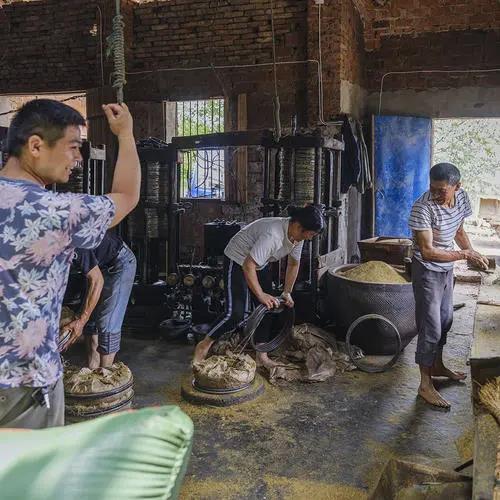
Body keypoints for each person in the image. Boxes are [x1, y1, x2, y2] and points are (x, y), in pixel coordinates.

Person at [0, 99, 140, 428]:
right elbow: (127, 195)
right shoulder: (57, 212)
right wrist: (126, 136)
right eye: (73, 147)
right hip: (27, 380)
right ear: (35, 145)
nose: (78, 159)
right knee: (30, 477)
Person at [193, 205, 325, 368]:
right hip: (238, 259)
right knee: (235, 314)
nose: (310, 238)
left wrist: (287, 292)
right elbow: (248, 265)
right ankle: (204, 345)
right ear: (299, 227)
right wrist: (261, 294)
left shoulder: (297, 237)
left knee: (268, 307)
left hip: (258, 263)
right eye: (310, 234)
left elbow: (293, 264)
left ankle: (261, 354)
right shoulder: (273, 236)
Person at [409, 162, 489, 409]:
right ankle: (424, 384)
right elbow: (428, 252)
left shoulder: (461, 198)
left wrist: (472, 251)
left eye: (441, 190)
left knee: (445, 320)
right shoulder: (422, 208)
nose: (436, 193)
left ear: (457, 187)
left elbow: (459, 230)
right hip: (427, 271)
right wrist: (465, 256)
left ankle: (437, 365)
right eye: (432, 188)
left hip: (446, 269)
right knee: (430, 326)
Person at [65, 231, 136, 369]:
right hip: (96, 266)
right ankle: (92, 370)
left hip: (119, 261)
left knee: (106, 321)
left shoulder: (71, 241)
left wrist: (80, 320)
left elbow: (97, 280)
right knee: (90, 320)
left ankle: (106, 376)